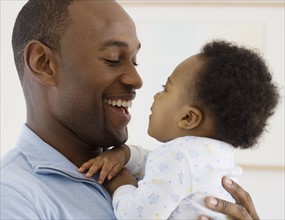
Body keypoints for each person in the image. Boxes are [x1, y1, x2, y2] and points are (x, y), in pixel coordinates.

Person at [0, 0, 260, 219]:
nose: (136, 80)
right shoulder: (12, 196)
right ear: (43, 63)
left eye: (135, 61)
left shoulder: (152, 172)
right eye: (113, 59)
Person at [79, 40, 279, 219]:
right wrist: (126, 154)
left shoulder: (178, 157)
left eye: (165, 88)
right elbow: (155, 163)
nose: (156, 96)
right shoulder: (213, 156)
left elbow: (136, 216)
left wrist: (121, 184)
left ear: (188, 118)